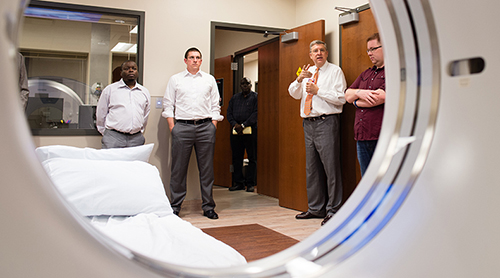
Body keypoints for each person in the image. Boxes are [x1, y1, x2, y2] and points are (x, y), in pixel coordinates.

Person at [288, 40, 346, 226]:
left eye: (321, 50)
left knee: (331, 168)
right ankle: (315, 208)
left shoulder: (335, 71)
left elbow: (340, 98)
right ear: (310, 55)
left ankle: (334, 210)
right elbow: (294, 94)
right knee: (312, 169)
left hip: (326, 122)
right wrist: (298, 80)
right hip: (308, 123)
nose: (318, 53)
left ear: (327, 53)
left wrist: (317, 90)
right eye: (315, 51)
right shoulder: (307, 72)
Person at [162, 47, 223, 220]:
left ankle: (208, 207)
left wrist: (213, 125)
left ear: (201, 61)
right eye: (191, 57)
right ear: (185, 60)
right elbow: (168, 105)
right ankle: (175, 206)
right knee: (178, 170)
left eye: (198, 57)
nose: (195, 60)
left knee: (207, 170)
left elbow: (215, 105)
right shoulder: (176, 80)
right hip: (182, 127)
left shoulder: (209, 80)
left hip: (205, 128)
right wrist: (173, 126)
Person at [345, 33, 386, 176]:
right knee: (366, 180)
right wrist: (359, 93)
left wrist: (356, 101)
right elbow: (347, 95)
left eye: (373, 49)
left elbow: (379, 98)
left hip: (380, 137)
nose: (369, 53)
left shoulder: (392, 72)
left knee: (382, 180)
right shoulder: (365, 74)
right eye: (368, 50)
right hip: (362, 137)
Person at [96, 60, 151, 149]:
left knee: (135, 163)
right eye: (127, 68)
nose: (131, 70)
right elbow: (101, 114)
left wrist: (138, 130)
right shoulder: (110, 90)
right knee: (111, 163)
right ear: (121, 73)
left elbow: (145, 115)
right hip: (113, 137)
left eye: (134, 68)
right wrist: (106, 132)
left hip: (136, 138)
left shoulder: (144, 92)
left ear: (137, 72)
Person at [227, 77, 258, 192]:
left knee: (252, 158)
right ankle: (238, 183)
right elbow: (229, 113)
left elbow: (256, 113)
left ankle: (250, 184)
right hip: (236, 132)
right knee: (236, 158)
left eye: (247, 84)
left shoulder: (256, 97)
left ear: (251, 85)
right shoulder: (235, 98)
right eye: (243, 84)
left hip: (250, 132)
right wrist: (235, 124)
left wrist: (244, 125)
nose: (245, 86)